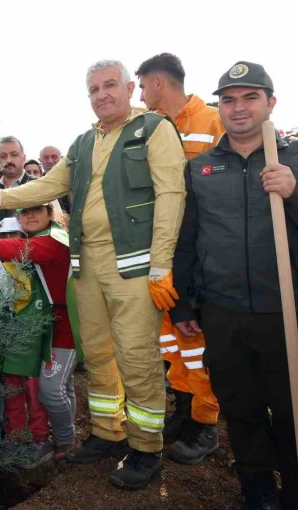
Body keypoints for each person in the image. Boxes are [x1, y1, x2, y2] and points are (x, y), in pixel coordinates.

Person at [0, 59, 186, 489]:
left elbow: (171, 194)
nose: (101, 94)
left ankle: (146, 447)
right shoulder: (83, 142)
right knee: (98, 354)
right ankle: (110, 433)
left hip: (134, 266)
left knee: (136, 356)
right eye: (93, 89)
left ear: (130, 88)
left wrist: (162, 264)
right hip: (87, 265)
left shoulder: (154, 129)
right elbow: (46, 187)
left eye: (110, 85)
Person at [171, 61, 298, 509]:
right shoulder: (202, 168)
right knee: (240, 411)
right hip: (223, 315)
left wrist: (294, 191)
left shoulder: (293, 160)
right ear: (218, 107)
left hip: (284, 312)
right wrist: (183, 304)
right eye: (228, 99)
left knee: (291, 411)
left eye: (250, 97)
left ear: (271, 103)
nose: (238, 108)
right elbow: (188, 239)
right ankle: (258, 493)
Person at [136, 52, 225, 464]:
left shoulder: (211, 121)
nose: (138, 93)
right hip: (164, 250)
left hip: (200, 250)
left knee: (196, 340)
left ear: (158, 83)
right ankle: (185, 409)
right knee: (172, 339)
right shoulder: (153, 127)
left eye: (140, 85)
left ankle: (206, 424)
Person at [0, 204, 77, 465]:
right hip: (50, 328)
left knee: (50, 389)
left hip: (66, 324)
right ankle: (62, 441)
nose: (29, 215)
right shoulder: (41, 240)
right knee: (59, 386)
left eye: (37, 209)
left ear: (50, 213)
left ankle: (62, 441)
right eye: (23, 211)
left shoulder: (54, 239)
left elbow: (24, 252)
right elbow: (3, 272)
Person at [0, 136, 36, 235]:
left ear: (24, 158)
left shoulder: (38, 186)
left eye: (14, 155)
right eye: (3, 156)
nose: (9, 160)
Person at [39, 146, 71, 213]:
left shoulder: (72, 181)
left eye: (54, 157)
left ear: (61, 159)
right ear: (40, 160)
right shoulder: (36, 186)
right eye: (46, 157)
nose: (50, 161)